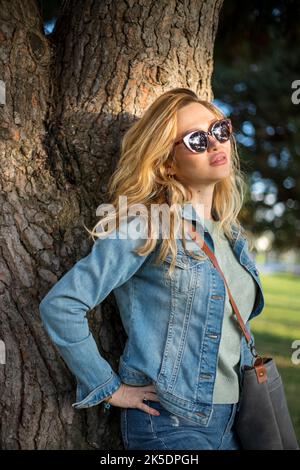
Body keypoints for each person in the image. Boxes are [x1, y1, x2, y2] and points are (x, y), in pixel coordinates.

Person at [39, 88, 265, 450]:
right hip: (172, 424)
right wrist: (110, 388)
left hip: (234, 422)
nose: (215, 144)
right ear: (168, 164)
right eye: (196, 139)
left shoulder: (230, 233)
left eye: (220, 130)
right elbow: (62, 304)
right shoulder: (148, 226)